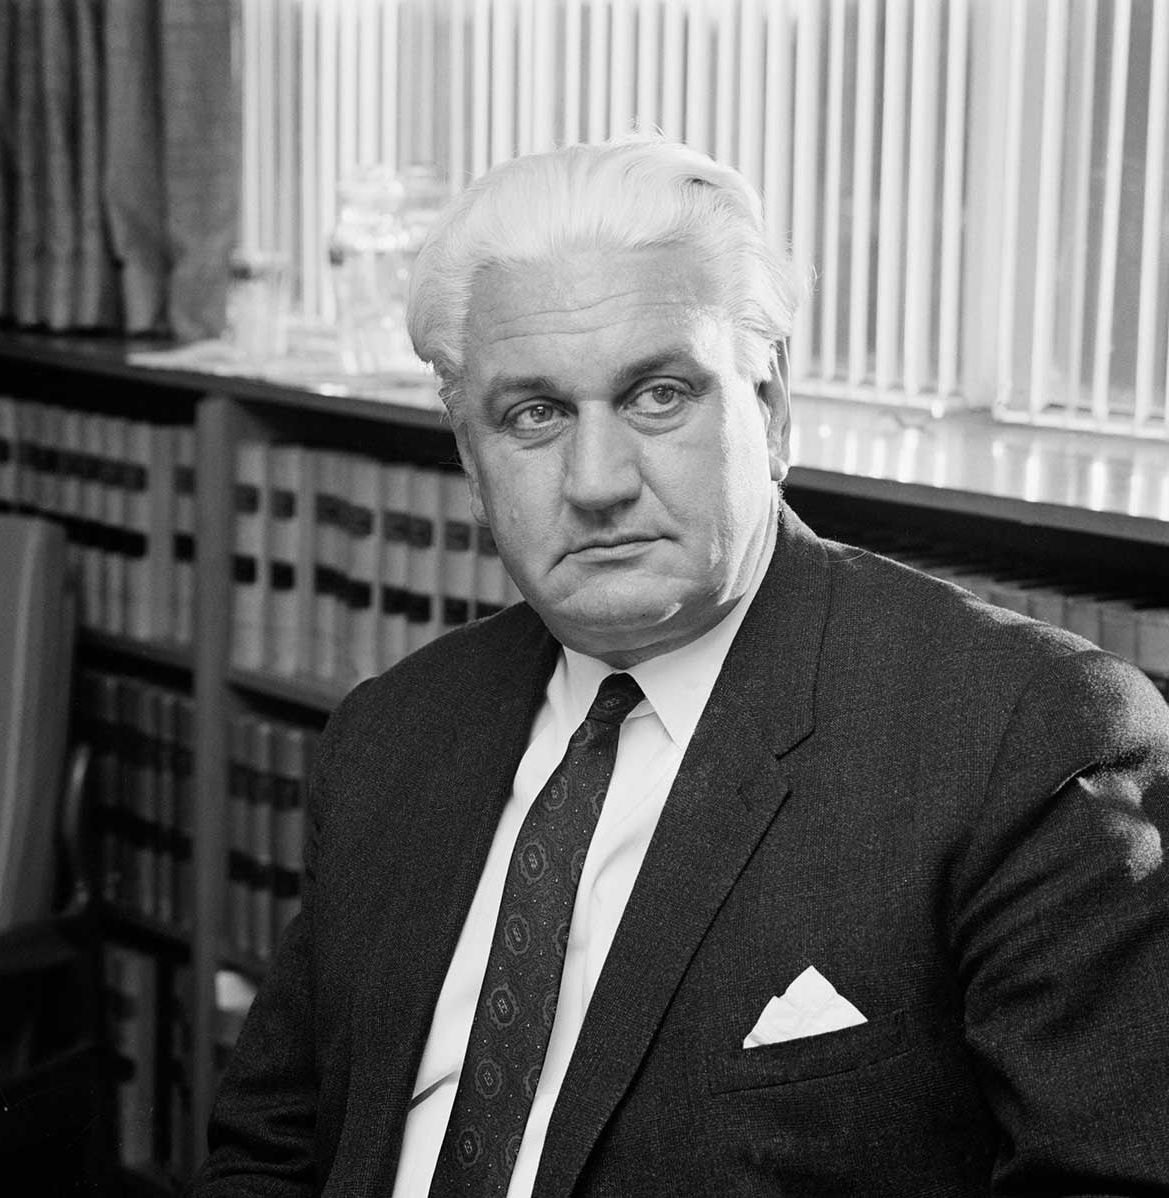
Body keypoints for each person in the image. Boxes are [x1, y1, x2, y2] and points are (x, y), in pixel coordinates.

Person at [192, 140, 1169, 1197]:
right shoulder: (392, 733)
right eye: (534, 415)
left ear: (773, 408)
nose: (598, 481)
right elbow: (270, 1153)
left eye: (659, 395)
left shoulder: (1024, 739)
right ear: (470, 463)